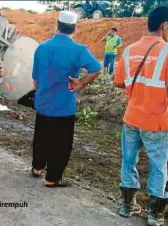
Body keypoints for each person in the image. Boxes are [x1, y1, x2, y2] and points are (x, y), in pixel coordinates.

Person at [31, 11, 101, 187]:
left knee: (41, 137)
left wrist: (42, 93)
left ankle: (37, 168)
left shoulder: (42, 48)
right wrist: (80, 84)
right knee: (60, 144)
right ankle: (52, 178)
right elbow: (96, 68)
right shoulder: (78, 50)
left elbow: (35, 80)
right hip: (63, 106)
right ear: (75, 28)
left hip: (43, 103)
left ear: (57, 25)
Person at [114, 6, 168, 226]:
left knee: (128, 161)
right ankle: (155, 215)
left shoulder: (129, 50)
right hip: (156, 121)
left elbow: (118, 82)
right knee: (159, 166)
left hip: (132, 117)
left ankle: (127, 206)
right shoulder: (167, 52)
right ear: (165, 26)